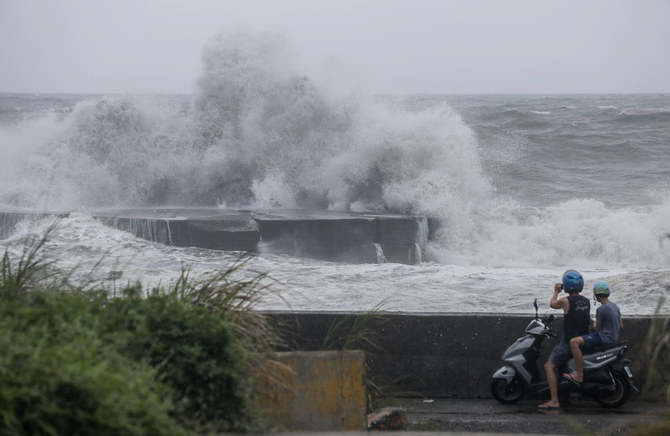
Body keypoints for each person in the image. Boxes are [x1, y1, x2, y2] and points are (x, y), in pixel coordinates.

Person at [538, 270, 590, 411]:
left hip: (569, 342)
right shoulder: (586, 301)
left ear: (566, 285)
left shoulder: (565, 301)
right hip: (584, 340)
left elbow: (552, 304)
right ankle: (564, 393)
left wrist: (556, 291)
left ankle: (554, 400)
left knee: (549, 366)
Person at [563, 281, 622, 384]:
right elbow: (620, 324)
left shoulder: (601, 309)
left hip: (604, 338)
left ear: (596, 295)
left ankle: (579, 375)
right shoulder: (615, 306)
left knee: (574, 342)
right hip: (613, 338)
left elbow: (597, 328)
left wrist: (594, 324)